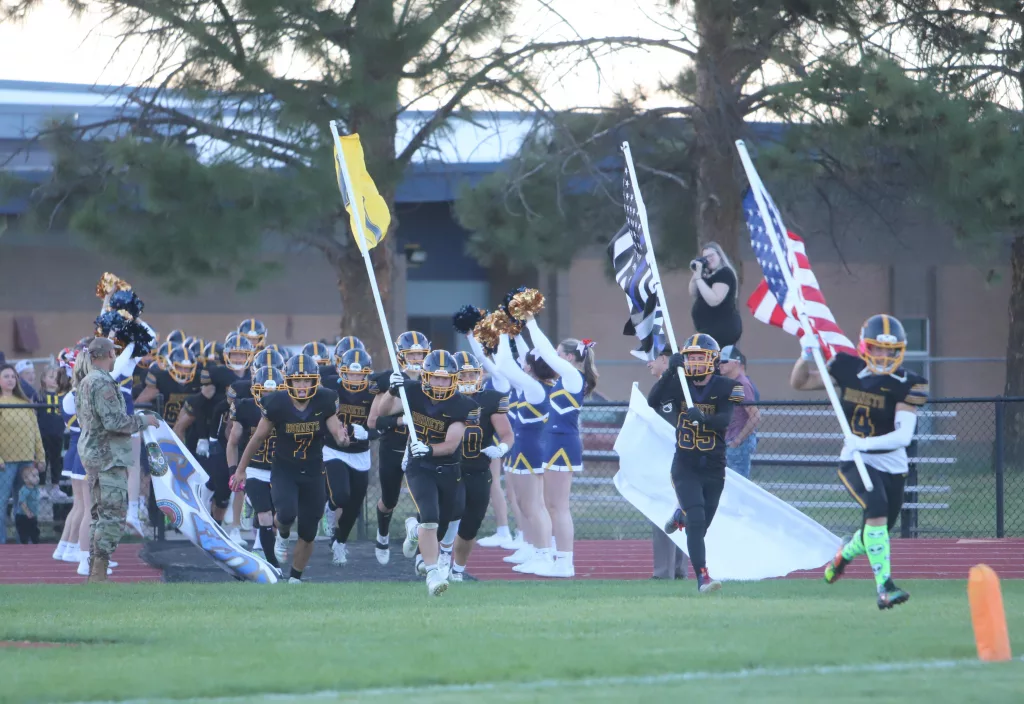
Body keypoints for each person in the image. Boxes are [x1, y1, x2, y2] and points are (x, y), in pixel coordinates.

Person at [790, 314, 927, 610]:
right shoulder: (847, 368)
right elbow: (800, 383)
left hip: (891, 464)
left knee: (876, 530)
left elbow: (903, 436)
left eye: (890, 350)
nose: (884, 355)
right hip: (856, 461)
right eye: (878, 348)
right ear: (865, 347)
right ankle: (885, 587)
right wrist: (805, 356)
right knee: (875, 510)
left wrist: (863, 442)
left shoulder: (909, 382)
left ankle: (844, 554)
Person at [233, 353, 349, 583]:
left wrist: (342, 438)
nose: (303, 385)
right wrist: (241, 469)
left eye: (307, 380)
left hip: (314, 471)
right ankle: (282, 535)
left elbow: (335, 428)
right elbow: (256, 439)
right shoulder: (276, 402)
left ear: (315, 380)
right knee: (285, 514)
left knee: (308, 531)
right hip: (285, 469)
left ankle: (295, 577)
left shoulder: (325, 399)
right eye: (298, 380)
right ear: (289, 380)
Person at [374, 350, 480, 596]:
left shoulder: (463, 405)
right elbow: (383, 412)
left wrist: (429, 449)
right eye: (436, 378)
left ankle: (413, 529)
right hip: (418, 466)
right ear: (426, 377)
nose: (441, 384)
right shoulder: (412, 391)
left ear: (454, 379)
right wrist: (391, 391)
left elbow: (451, 445)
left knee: (439, 525)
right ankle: (432, 574)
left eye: (445, 379)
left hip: (448, 468)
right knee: (430, 516)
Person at [648, 333, 745, 593]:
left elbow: (724, 420)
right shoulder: (679, 382)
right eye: (690, 357)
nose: (694, 362)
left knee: (700, 526)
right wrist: (670, 371)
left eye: (700, 356)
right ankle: (703, 577)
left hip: (714, 465)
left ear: (712, 359)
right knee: (698, 519)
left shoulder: (727, 386)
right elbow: (652, 401)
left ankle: (681, 515)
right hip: (685, 463)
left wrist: (701, 418)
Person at [75, 337, 159, 581]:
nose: (115, 357)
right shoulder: (102, 383)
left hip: (95, 453)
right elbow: (114, 422)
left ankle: (95, 570)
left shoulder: (87, 381)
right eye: (114, 353)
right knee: (112, 515)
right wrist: (144, 421)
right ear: (107, 354)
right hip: (107, 456)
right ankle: (99, 572)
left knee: (99, 514)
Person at [521, 314, 599, 578]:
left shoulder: (573, 376)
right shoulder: (565, 377)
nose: (551, 357)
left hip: (564, 442)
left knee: (558, 505)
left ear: (568, 357)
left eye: (557, 353)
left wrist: (530, 321)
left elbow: (542, 350)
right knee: (551, 503)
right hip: (555, 441)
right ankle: (560, 558)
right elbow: (537, 355)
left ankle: (565, 562)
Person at [444, 351, 514, 582]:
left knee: (470, 527)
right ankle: (442, 558)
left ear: (480, 374)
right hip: (449, 467)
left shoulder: (490, 399)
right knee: (450, 512)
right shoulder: (442, 398)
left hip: (478, 469)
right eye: (462, 375)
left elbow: (506, 434)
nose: (467, 379)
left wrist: (501, 449)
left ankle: (458, 569)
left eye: (472, 374)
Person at [366, 331, 430, 565]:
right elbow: (373, 422)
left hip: (420, 448)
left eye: (419, 354)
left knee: (425, 501)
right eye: (411, 353)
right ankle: (382, 534)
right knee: (389, 500)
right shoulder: (389, 380)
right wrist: (401, 420)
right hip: (393, 446)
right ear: (401, 355)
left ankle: (424, 553)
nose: (415, 358)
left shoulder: (433, 379)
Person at [493, 332, 554, 575]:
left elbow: (504, 366)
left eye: (525, 363)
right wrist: (515, 335)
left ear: (530, 367)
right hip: (522, 447)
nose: (521, 364)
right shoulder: (531, 385)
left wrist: (502, 332)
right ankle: (533, 547)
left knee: (533, 505)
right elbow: (513, 363)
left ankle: (544, 553)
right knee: (524, 503)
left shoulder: (535, 388)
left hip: (531, 448)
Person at [228, 365, 286, 566]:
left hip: (278, 470)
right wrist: (234, 471)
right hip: (252, 468)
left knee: (281, 517)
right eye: (265, 391)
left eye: (273, 392)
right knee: (265, 516)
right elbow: (233, 441)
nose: (269, 397)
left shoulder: (288, 408)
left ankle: (264, 544)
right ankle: (263, 555)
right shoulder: (244, 406)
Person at [324, 348, 377, 566]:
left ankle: (340, 543)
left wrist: (370, 432)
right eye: (350, 373)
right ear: (341, 371)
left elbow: (384, 425)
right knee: (341, 495)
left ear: (367, 373)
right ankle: (330, 507)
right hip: (333, 449)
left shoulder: (375, 392)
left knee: (354, 506)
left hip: (360, 453)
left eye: (359, 374)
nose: (355, 378)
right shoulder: (329, 386)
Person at [645, 346, 688, 581]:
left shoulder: (675, 385)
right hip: (672, 459)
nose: (648, 364)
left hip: (672, 460)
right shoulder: (673, 383)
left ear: (664, 358)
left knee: (666, 512)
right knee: (678, 512)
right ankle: (677, 569)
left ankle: (665, 572)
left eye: (652, 359)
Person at [0, 363, 45, 544]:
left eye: (13, 376)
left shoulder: (26, 402)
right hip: (5, 463)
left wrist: (40, 456)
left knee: (26, 504)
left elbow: (35, 431)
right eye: (6, 376)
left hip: (26, 461)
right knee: (1, 503)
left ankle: (24, 541)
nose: (11, 380)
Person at [689, 242, 742, 348]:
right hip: (708, 331)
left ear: (719, 256)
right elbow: (692, 292)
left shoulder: (724, 273)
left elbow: (714, 300)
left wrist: (699, 279)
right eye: (705, 258)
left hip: (723, 330)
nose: (709, 259)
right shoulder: (706, 275)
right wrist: (696, 274)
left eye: (711, 255)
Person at [719, 345, 760, 480]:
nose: (720, 364)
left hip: (737, 443)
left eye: (724, 361)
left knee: (738, 484)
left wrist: (737, 440)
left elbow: (755, 416)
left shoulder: (741, 384)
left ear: (736, 362)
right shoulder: (731, 383)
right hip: (729, 441)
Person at [37, 365, 68, 500]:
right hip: (43, 434)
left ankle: (56, 487)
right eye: (51, 376)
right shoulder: (39, 396)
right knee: (43, 460)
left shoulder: (62, 396)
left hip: (58, 434)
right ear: (43, 379)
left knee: (56, 460)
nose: (55, 379)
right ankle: (41, 487)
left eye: (57, 377)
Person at [15, 465, 41, 544]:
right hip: (23, 516)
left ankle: (36, 546)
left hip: (33, 515)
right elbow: (22, 502)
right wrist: (28, 512)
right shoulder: (24, 490)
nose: (37, 478)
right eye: (33, 476)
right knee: (24, 535)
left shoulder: (35, 488)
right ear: (25, 479)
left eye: (37, 475)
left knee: (35, 533)